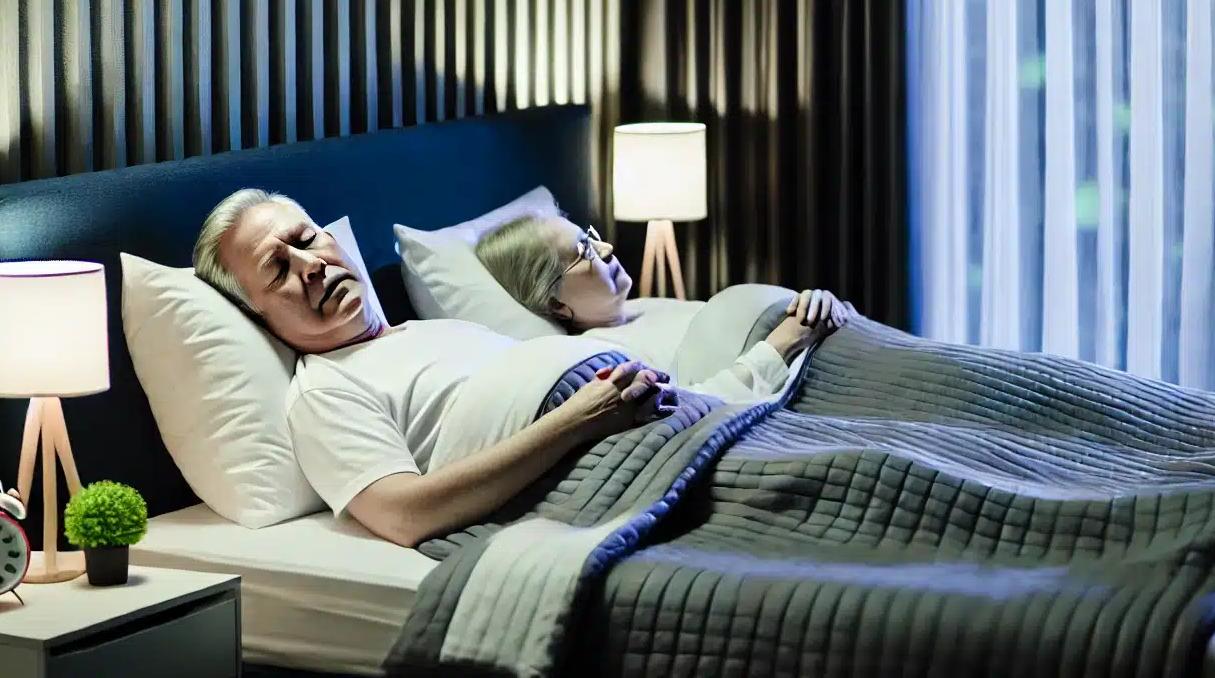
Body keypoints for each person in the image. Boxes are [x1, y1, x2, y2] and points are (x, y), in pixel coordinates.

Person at [194, 189, 708, 549]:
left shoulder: (434, 330)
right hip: (598, 457)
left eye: (306, 241)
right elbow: (402, 514)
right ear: (256, 314)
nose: (310, 266)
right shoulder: (326, 390)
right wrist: (579, 418)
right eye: (277, 269)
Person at [474, 214, 854, 397]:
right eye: (584, 251)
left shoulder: (649, 306)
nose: (606, 249)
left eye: (590, 237)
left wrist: (822, 305)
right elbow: (692, 409)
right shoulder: (602, 358)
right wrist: (783, 344)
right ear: (556, 306)